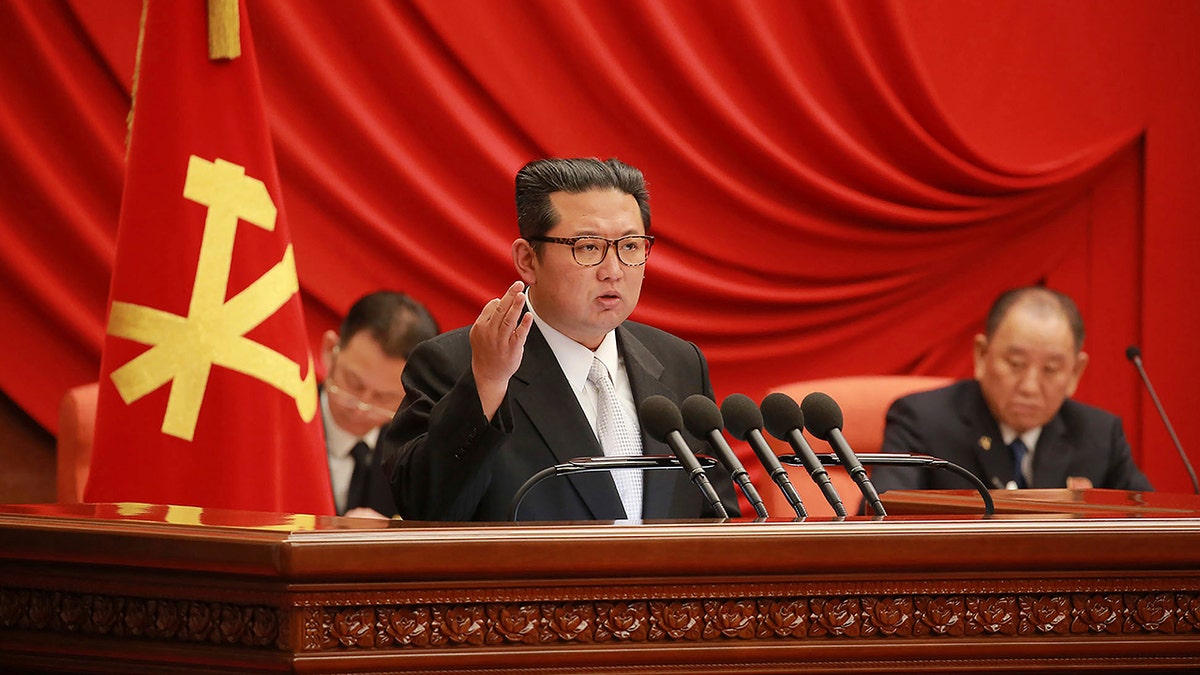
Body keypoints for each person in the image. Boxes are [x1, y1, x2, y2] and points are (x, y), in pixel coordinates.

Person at [384, 157, 739, 522]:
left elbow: (718, 517)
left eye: (631, 246)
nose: (613, 271)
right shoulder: (457, 364)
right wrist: (486, 385)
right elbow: (425, 511)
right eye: (588, 247)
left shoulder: (679, 362)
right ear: (527, 260)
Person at [871, 286, 1152, 495]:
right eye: (1015, 364)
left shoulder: (1100, 435)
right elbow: (879, 520)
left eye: (1051, 370)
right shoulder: (922, 422)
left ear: (1075, 373)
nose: (1030, 387)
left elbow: (1155, 527)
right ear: (982, 355)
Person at [320, 291, 439, 518]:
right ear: (329, 351)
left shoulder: (417, 456)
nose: (361, 407)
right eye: (353, 383)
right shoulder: (277, 426)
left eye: (384, 398)